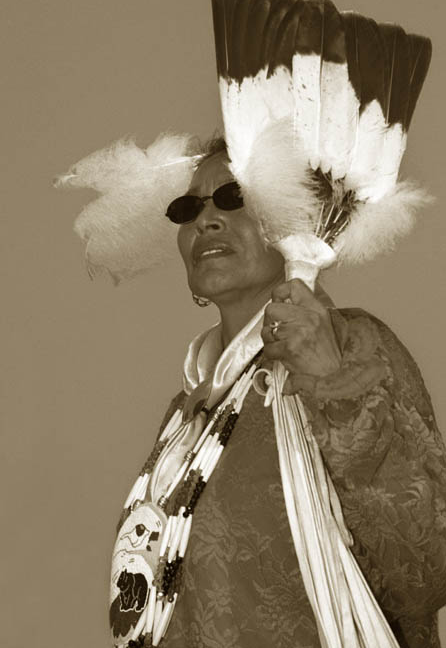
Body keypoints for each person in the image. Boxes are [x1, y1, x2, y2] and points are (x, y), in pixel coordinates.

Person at [107, 138, 446, 648]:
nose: (205, 220)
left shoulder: (348, 344)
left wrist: (332, 380)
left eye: (233, 197)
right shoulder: (188, 409)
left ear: (296, 221)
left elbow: (426, 568)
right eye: (187, 207)